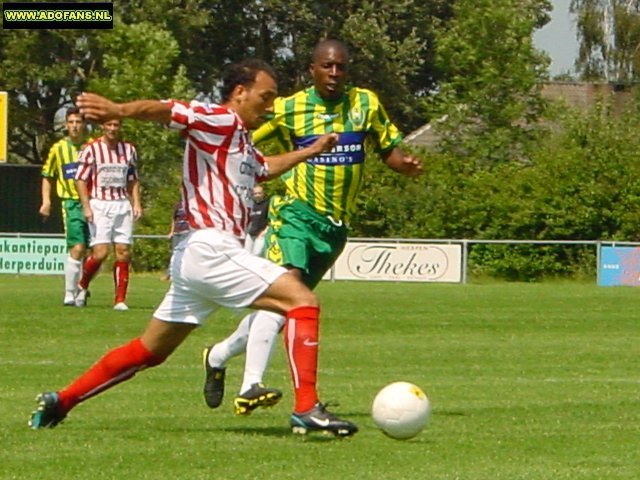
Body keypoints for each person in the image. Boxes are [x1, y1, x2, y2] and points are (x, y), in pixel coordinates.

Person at [28, 58, 357, 437]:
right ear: (239, 92)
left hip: (194, 259)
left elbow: (263, 167)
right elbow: (170, 110)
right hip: (211, 248)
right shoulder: (220, 119)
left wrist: (311, 150)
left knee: (150, 351)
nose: (269, 107)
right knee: (302, 301)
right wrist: (119, 110)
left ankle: (63, 400)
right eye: (265, 97)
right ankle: (307, 408)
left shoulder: (240, 140)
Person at [203, 39, 423, 418]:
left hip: (334, 229)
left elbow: (390, 147)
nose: (334, 74)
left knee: (287, 307)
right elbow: (241, 138)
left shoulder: (365, 104)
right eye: (327, 67)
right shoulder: (290, 108)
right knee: (287, 294)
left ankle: (219, 354)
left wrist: (403, 164)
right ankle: (252, 386)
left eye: (340, 67)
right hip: (295, 216)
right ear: (312, 70)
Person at [74, 119, 142, 310]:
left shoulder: (129, 150)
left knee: (123, 251)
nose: (112, 129)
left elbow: (133, 178)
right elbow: (80, 180)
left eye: (116, 125)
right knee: (101, 252)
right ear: (102, 127)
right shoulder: (92, 149)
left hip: (121, 204)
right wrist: (86, 206)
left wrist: (136, 202)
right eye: (109, 125)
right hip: (99, 204)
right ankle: (82, 285)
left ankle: (120, 300)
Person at [39, 107, 90, 306]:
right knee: (77, 247)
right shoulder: (58, 148)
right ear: (66, 125)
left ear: (84, 124)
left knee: (92, 251)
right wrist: (46, 201)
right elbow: (47, 176)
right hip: (71, 202)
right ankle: (70, 294)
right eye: (71, 122)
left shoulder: (92, 146)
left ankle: (82, 289)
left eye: (78, 122)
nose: (75, 126)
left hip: (96, 203)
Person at [162, 199, 190, 281]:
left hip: (187, 232)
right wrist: (171, 231)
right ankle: (169, 274)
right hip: (177, 232)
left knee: (185, 254)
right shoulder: (178, 205)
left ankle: (182, 274)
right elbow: (174, 219)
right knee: (174, 253)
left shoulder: (191, 203)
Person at [244, 185, 269, 255]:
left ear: (263, 193)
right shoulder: (251, 204)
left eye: (259, 193)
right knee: (246, 255)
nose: (257, 195)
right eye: (255, 193)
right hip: (250, 234)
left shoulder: (268, 204)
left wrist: (265, 231)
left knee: (256, 255)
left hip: (261, 235)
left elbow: (272, 219)